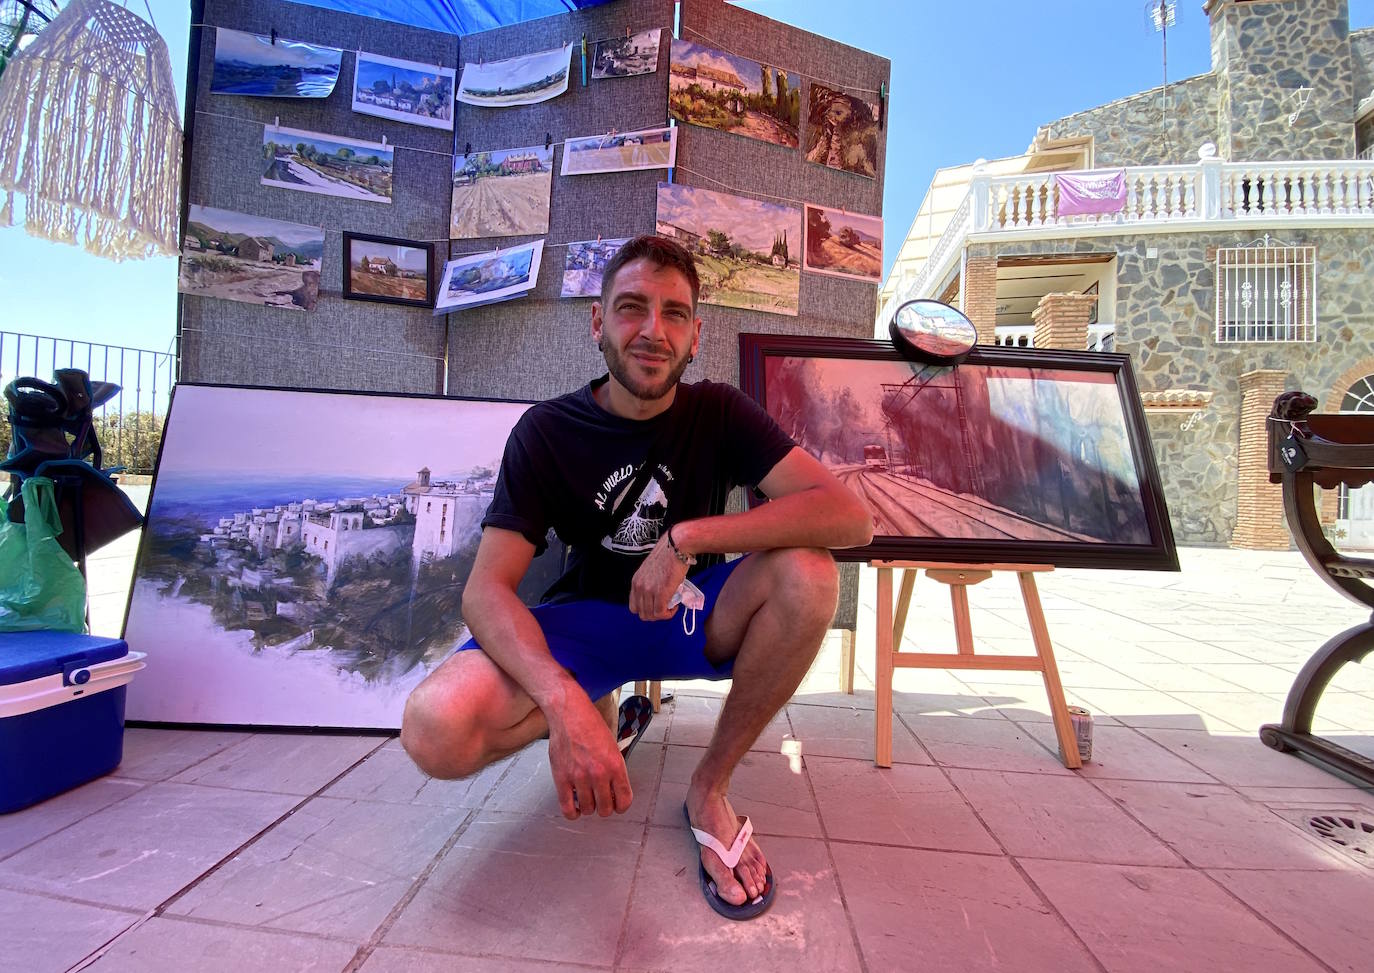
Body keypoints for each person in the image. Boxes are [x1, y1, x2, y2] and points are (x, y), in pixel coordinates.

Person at [400, 234, 872, 920]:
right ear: (598, 321)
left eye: (674, 313)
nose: (653, 330)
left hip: (693, 615)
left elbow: (849, 517)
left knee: (810, 572)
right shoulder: (546, 430)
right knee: (434, 728)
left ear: (695, 336)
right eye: (631, 307)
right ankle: (592, 706)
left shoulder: (719, 411)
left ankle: (709, 788)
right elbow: (485, 590)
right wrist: (561, 699)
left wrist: (687, 538)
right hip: (586, 623)